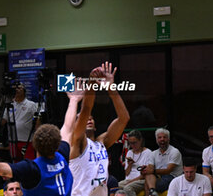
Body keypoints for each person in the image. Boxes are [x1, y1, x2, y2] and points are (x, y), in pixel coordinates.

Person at [0, 86, 85, 196]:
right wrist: (74, 100)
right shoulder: (62, 154)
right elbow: (68, 127)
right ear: (57, 144)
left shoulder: (32, 169)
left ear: (35, 144)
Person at [69, 62, 130, 196]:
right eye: (84, 119)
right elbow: (86, 109)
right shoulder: (77, 142)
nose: (88, 119)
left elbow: (123, 118)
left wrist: (110, 88)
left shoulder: (102, 142)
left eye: (91, 118)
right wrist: (91, 84)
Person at [0, 83, 38, 161]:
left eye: (19, 88)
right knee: (16, 163)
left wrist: (37, 138)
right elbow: (3, 122)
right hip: (13, 141)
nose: (17, 90)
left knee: (30, 162)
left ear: (24, 91)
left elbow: (37, 121)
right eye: (15, 88)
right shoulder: (10, 105)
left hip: (28, 141)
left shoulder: (31, 105)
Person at [141, 128, 183, 196]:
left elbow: (168, 171)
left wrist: (151, 170)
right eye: (159, 137)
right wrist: (146, 170)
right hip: (159, 177)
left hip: (173, 178)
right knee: (148, 176)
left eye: (164, 137)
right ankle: (152, 192)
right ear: (156, 140)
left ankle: (152, 192)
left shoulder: (175, 152)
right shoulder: (153, 153)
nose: (162, 139)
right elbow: (150, 169)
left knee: (147, 182)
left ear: (168, 139)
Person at [118, 130, 152, 196]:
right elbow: (127, 173)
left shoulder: (148, 153)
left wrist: (131, 182)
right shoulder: (129, 152)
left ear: (140, 140)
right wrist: (130, 165)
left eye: (134, 143)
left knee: (127, 188)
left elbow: (144, 175)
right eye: (130, 143)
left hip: (141, 180)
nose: (132, 145)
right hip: (129, 180)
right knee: (117, 185)